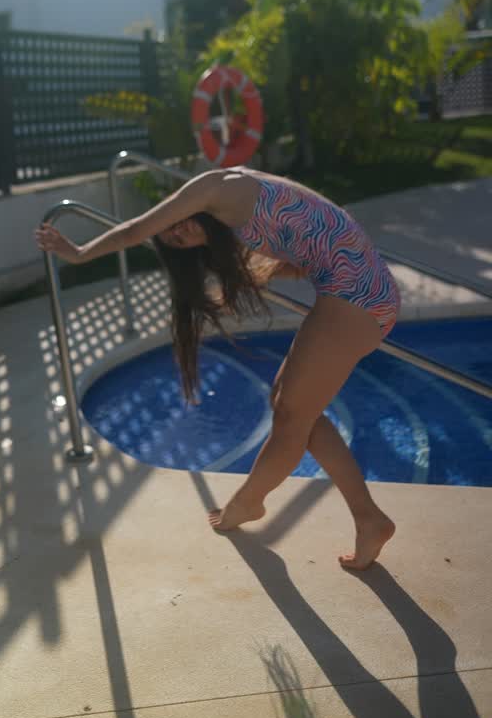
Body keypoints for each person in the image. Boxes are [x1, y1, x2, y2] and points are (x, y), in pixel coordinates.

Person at [35, 166, 400, 570]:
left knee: (292, 418)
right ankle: (369, 519)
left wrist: (79, 254)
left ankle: (246, 504)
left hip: (358, 296)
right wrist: (263, 271)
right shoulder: (234, 221)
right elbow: (310, 252)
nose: (176, 234)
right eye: (176, 242)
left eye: (173, 227)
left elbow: (136, 229)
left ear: (177, 207)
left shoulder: (216, 187)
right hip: (358, 294)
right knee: (293, 409)